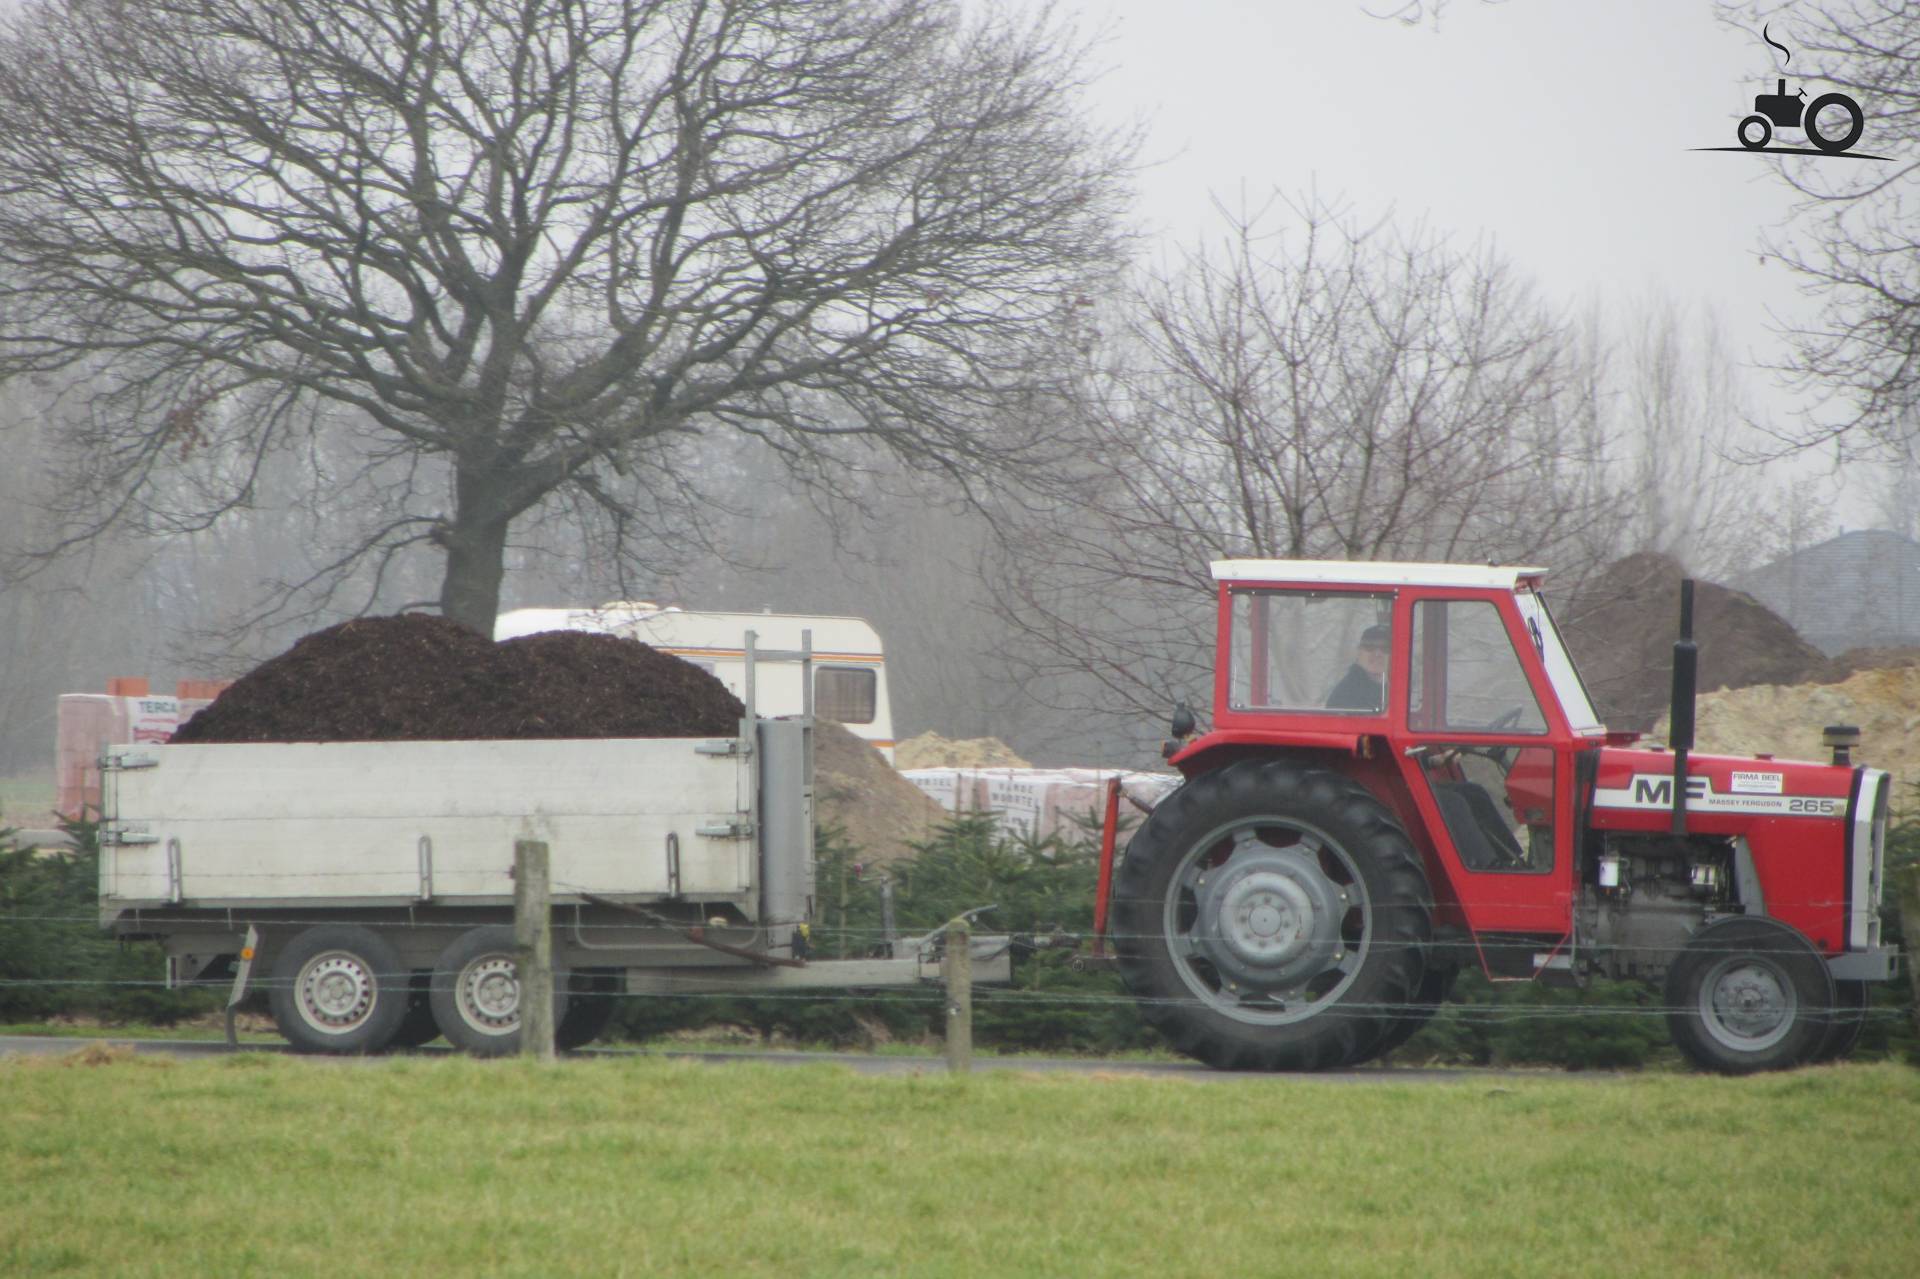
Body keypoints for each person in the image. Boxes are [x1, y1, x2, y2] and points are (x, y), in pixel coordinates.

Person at [1325, 623, 1390, 711]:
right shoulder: (1346, 693)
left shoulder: (1396, 688)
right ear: (1359, 652)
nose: (1377, 654)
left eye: (1385, 648)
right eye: (1370, 647)